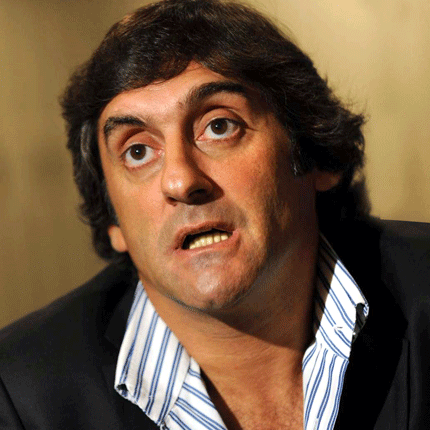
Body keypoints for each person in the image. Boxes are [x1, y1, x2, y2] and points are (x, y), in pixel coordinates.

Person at [0, 0, 429, 429]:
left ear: (315, 154)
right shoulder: (21, 396)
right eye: (138, 151)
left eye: (219, 126)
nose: (181, 180)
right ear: (114, 222)